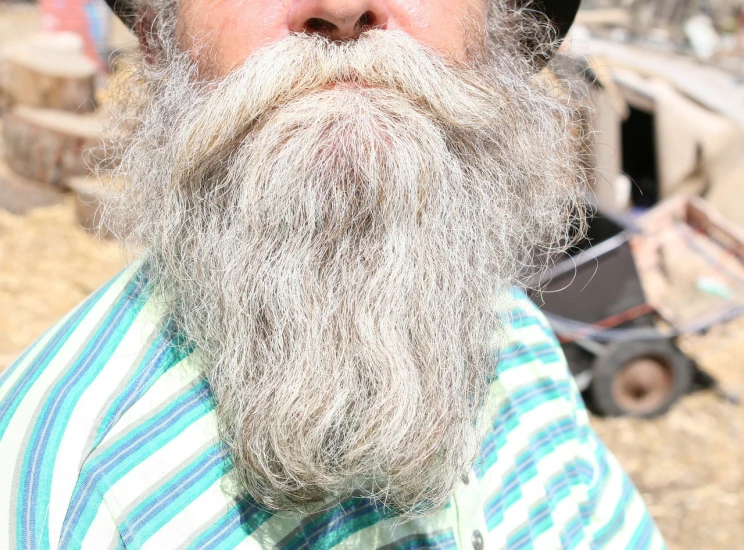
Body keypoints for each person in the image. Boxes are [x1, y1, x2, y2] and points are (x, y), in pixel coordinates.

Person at [0, 0, 666, 548]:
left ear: (499, 26)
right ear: (160, 38)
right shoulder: (69, 502)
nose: (344, 10)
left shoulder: (514, 331)